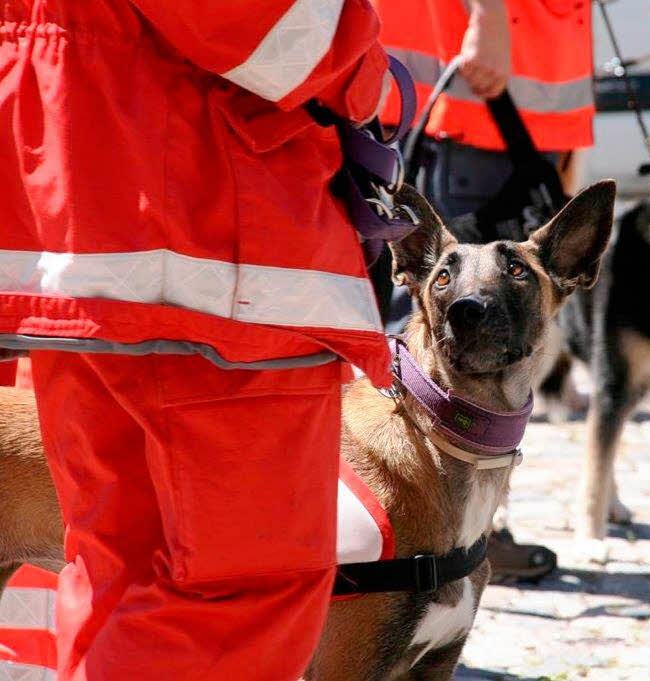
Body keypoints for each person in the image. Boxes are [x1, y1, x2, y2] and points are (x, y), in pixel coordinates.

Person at [0, 1, 393, 679]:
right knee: (239, 587)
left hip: (90, 220)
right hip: (204, 226)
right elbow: (273, 25)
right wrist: (365, 68)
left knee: (121, 565)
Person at [373, 0, 595, 580]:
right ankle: (443, 531)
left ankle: (465, 526)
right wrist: (489, 18)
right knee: (453, 327)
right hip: (484, 90)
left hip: (526, 99)